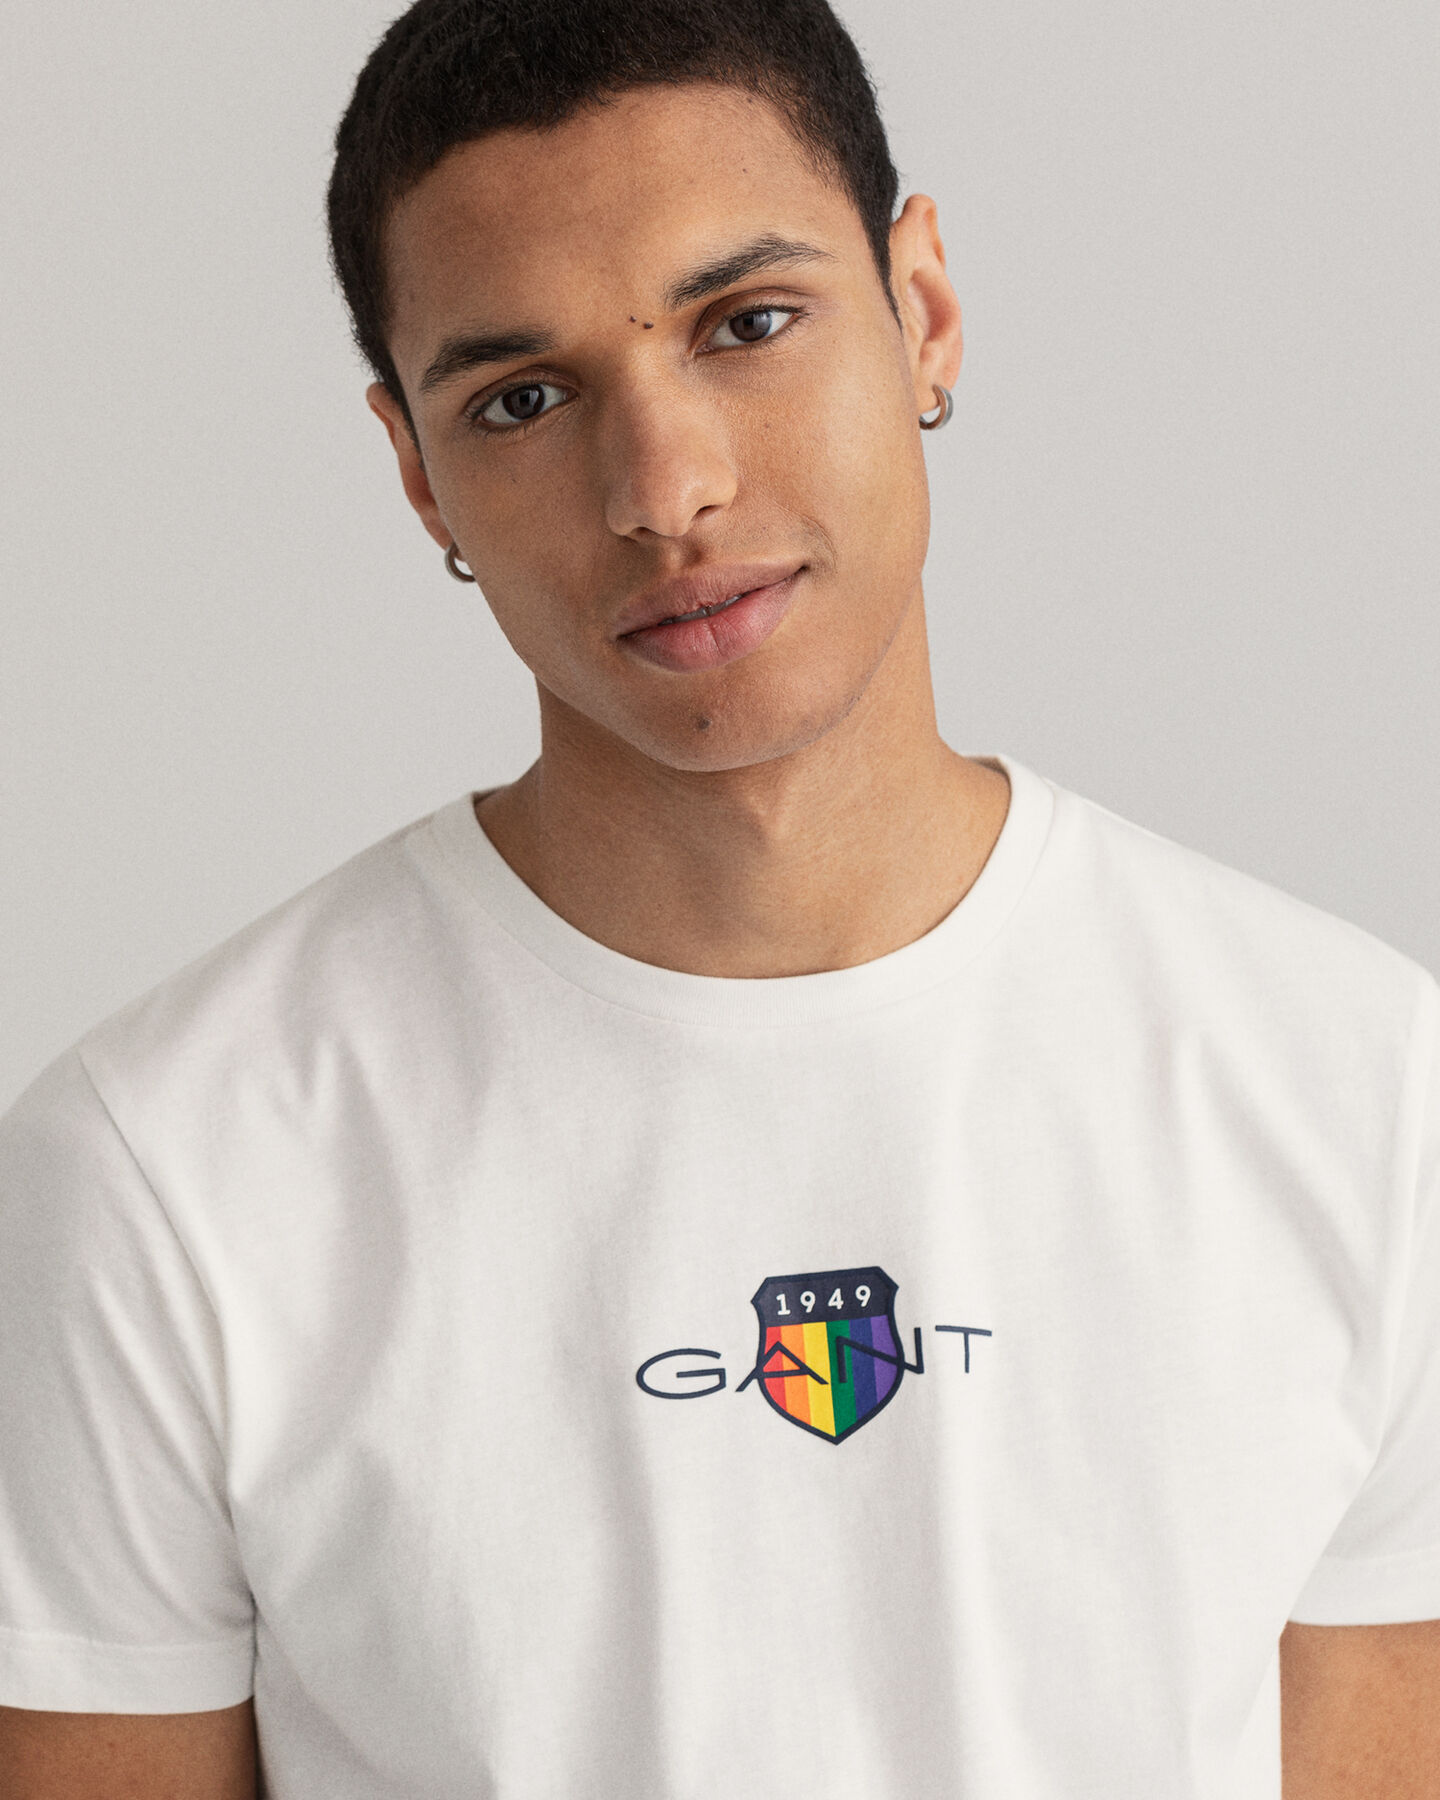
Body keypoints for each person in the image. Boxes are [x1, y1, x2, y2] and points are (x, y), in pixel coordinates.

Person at [1, 0, 1436, 1792]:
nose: (666, 489)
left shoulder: (1360, 1085)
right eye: (523, 400)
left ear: (923, 310)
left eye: (748, 324)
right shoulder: (166, 1168)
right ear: (416, 470)